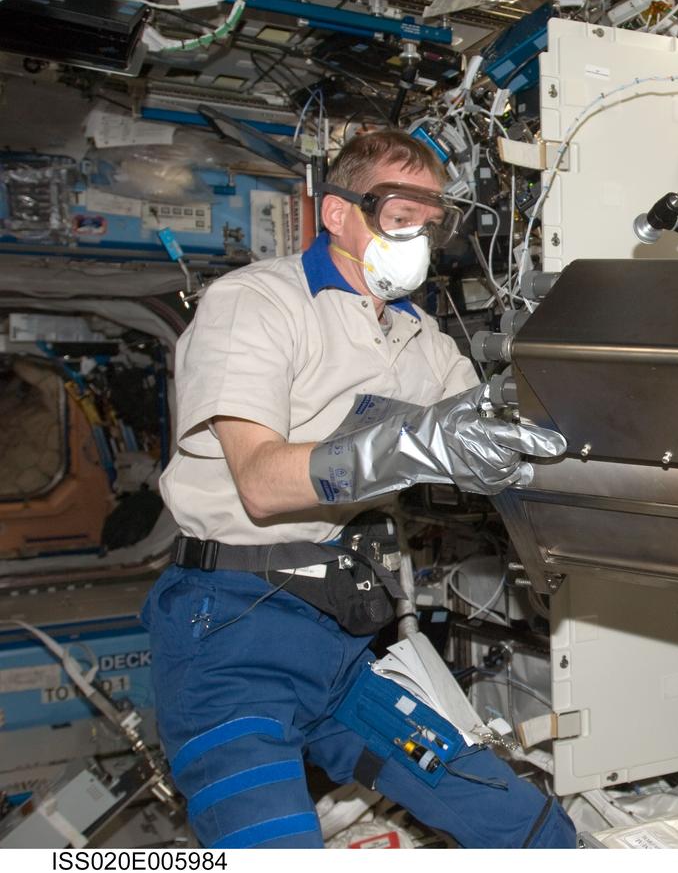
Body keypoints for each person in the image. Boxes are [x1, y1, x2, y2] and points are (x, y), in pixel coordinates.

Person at [141, 129, 574, 849]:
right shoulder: (257, 303)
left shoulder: (418, 336)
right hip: (229, 638)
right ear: (339, 212)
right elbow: (261, 483)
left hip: (338, 644)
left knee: (519, 819)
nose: (421, 237)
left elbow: (499, 427)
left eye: (432, 221)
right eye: (402, 214)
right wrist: (420, 442)